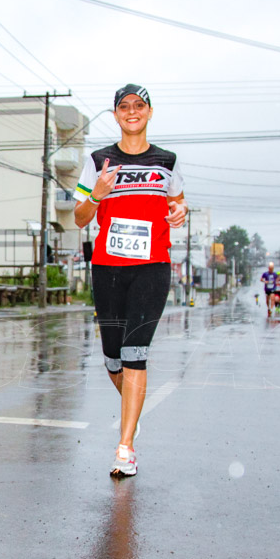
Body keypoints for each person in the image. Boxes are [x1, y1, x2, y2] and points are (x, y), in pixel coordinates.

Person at [74, 84, 187, 477]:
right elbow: (79, 217)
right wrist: (98, 195)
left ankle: (125, 447)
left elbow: (177, 202)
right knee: (113, 358)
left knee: (136, 353)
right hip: (107, 268)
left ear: (150, 113)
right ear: (116, 115)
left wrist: (180, 213)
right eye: (124, 107)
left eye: (139, 106)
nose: (132, 112)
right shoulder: (98, 161)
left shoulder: (166, 161)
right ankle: (131, 412)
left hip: (152, 267)